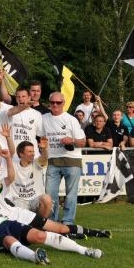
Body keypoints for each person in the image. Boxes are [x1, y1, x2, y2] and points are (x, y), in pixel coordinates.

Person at [0, 180, 103, 265]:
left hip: (4, 223)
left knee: (39, 236)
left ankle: (84, 250)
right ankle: (35, 257)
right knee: (7, 240)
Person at [0, 168, 111, 240]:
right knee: (41, 236)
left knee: (58, 227)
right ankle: (70, 236)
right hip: (8, 224)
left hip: (20, 214)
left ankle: (94, 232)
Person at [42, 92, 86, 225]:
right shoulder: (43, 118)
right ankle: (52, 221)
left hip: (72, 161)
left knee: (71, 194)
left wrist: (71, 140)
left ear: (63, 103)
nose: (55, 105)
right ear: (49, 103)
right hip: (53, 161)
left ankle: (67, 221)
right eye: (52, 102)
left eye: (58, 102)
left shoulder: (71, 119)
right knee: (50, 194)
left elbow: (83, 142)